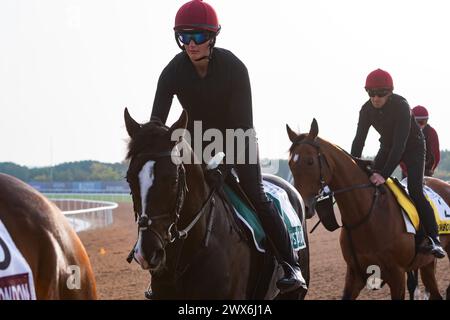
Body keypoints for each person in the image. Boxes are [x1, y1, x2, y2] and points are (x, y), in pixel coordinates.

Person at [150, 0, 306, 294]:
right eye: (184, 37)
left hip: (240, 140)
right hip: (197, 144)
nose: (191, 44)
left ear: (212, 37)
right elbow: (157, 124)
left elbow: (242, 125)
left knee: (256, 196)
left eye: (197, 36)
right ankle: (161, 273)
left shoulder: (234, 67)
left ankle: (290, 264)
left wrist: (224, 161)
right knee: (172, 201)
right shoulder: (171, 71)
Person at [351, 68, 446, 258]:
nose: (376, 98)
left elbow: (400, 145)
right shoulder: (366, 109)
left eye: (381, 94)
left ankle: (434, 238)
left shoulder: (402, 105)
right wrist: (353, 166)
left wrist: (383, 174)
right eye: (371, 93)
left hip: (413, 148)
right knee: (370, 184)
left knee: (415, 190)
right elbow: (358, 141)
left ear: (390, 92)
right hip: (387, 146)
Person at [400, 105, 440, 177]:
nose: (419, 125)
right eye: (416, 122)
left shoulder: (432, 132)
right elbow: (400, 153)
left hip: (426, 172)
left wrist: (431, 170)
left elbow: (436, 155)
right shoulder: (404, 132)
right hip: (408, 172)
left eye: (423, 122)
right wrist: (406, 171)